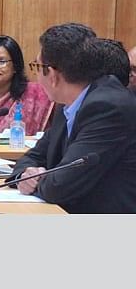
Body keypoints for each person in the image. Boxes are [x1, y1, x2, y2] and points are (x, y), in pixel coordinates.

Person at [8, 23, 136, 213]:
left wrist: (34, 180)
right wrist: (25, 175)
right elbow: (32, 158)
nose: (37, 77)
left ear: (51, 74)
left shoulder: (108, 107)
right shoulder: (69, 102)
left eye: (36, 66)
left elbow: (60, 186)